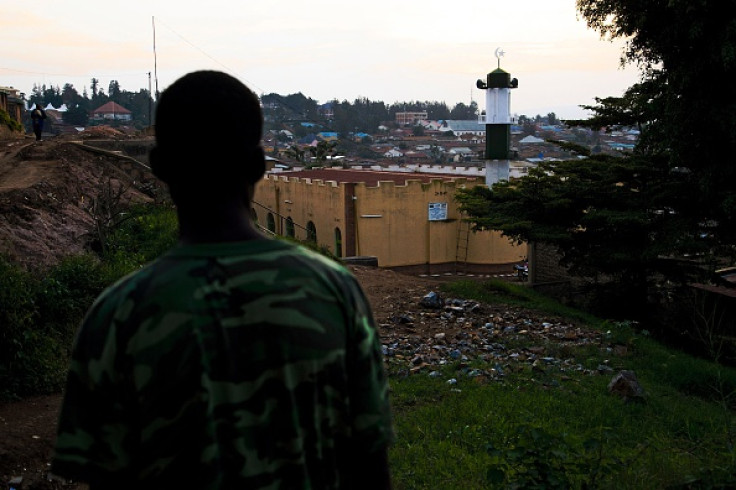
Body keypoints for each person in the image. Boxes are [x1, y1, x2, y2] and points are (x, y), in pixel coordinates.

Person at [51, 70, 393, 489]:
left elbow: (101, 474)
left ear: (159, 167)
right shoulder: (335, 290)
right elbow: (370, 461)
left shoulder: (118, 315)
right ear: (258, 167)